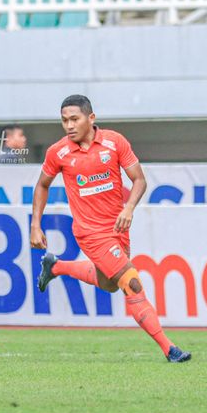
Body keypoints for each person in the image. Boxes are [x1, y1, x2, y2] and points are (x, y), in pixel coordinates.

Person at [30, 95, 191, 363]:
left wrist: (128, 208)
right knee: (132, 283)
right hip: (89, 233)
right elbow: (42, 184)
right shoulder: (58, 152)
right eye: (64, 120)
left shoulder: (114, 142)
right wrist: (35, 224)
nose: (69, 126)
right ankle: (169, 349)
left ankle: (56, 267)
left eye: (74, 119)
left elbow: (139, 179)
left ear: (91, 118)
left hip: (117, 228)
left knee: (109, 284)